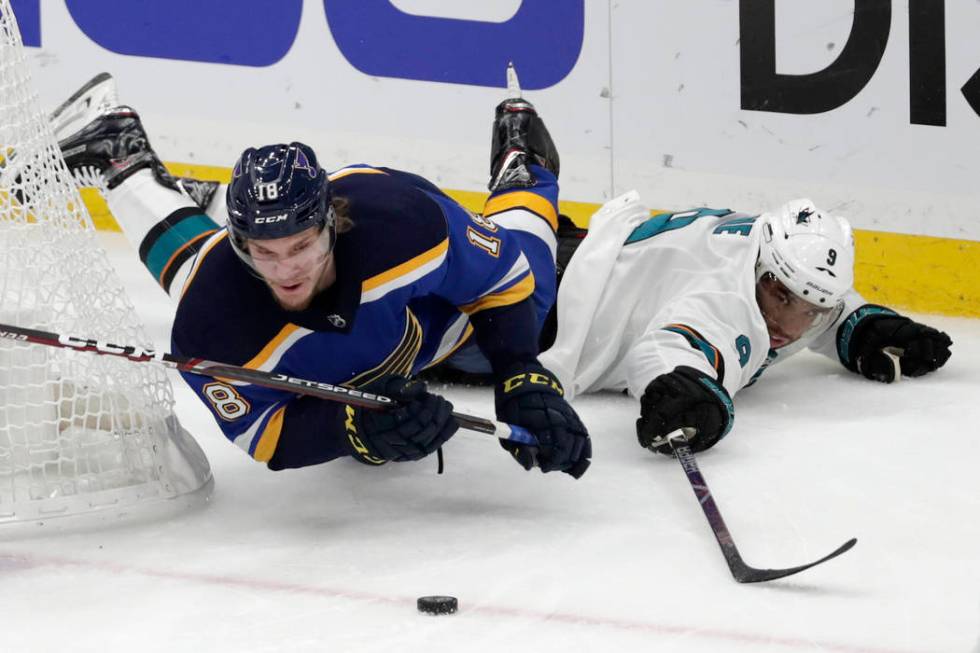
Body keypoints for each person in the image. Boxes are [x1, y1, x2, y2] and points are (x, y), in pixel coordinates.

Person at [53, 73, 591, 478]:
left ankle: (521, 160)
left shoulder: (404, 225)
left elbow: (504, 281)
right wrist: (353, 431)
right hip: (331, 343)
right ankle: (121, 157)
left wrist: (520, 372)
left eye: (302, 244)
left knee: (534, 285)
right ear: (236, 239)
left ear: (330, 222)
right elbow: (267, 438)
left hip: (430, 320)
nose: (286, 268)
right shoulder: (210, 320)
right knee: (210, 286)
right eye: (262, 249)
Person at [539, 192, 953, 455]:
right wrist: (686, 394)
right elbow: (664, 349)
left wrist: (866, 329)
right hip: (543, 306)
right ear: (763, 269)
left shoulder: (777, 266)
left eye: (811, 311)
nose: (788, 327)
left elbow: (820, 304)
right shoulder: (728, 299)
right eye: (783, 298)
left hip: (581, 256)